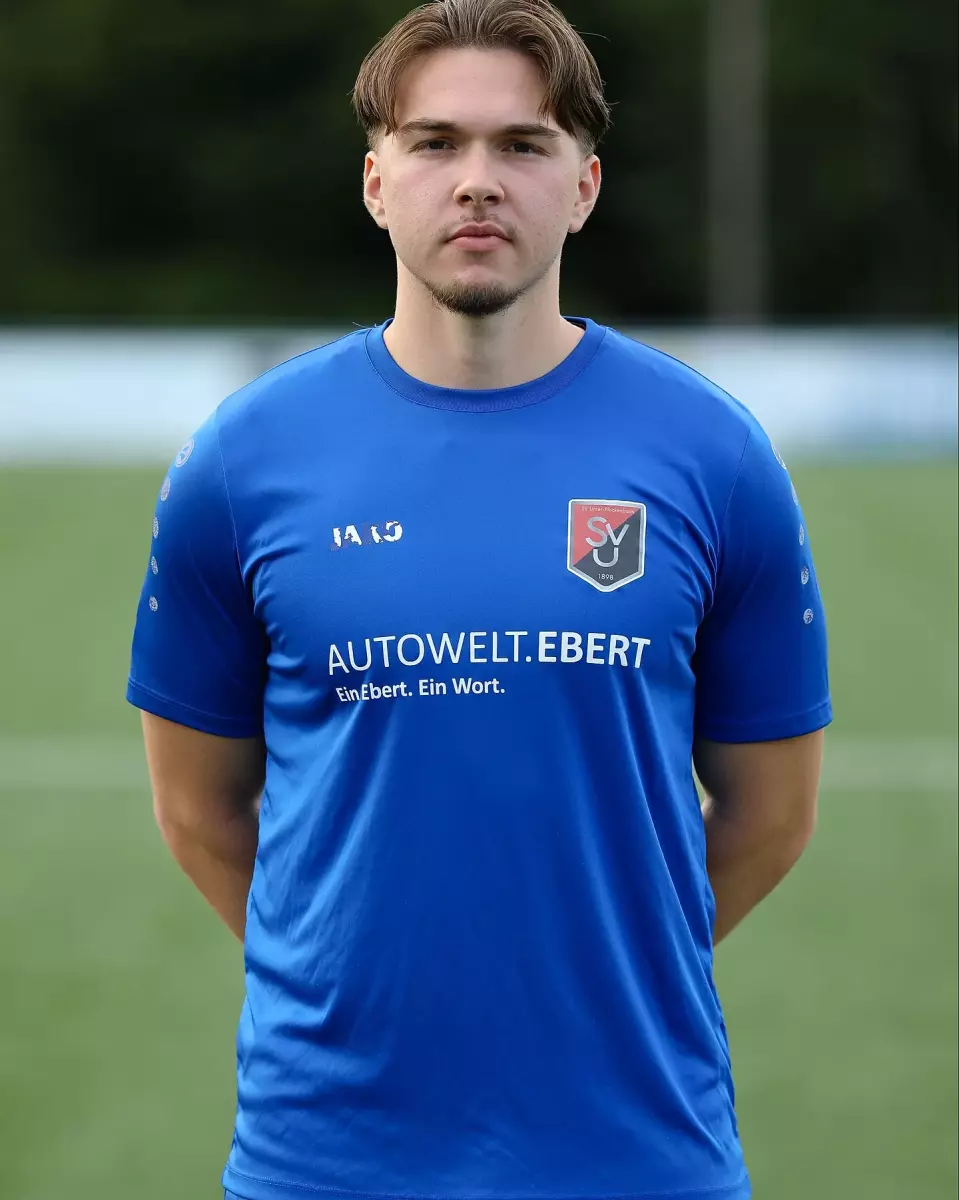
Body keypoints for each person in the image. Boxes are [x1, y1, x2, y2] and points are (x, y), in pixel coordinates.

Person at [127, 1, 831, 1198]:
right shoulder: (242, 461)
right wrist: (344, 980)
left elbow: (769, 815)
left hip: (634, 1153)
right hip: (325, 1159)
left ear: (583, 186)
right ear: (375, 183)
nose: (476, 181)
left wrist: (603, 975)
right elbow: (198, 810)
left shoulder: (712, 454)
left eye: (521, 144)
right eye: (435, 142)